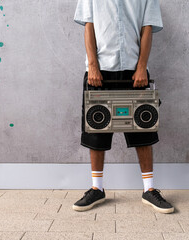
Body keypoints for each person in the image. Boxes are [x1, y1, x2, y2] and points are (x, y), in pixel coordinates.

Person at [72, 0, 174, 214]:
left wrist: (142, 67)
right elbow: (89, 25)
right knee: (96, 130)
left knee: (143, 130)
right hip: (100, 69)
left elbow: (148, 28)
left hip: (134, 70)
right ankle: (96, 188)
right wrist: (92, 65)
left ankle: (149, 190)